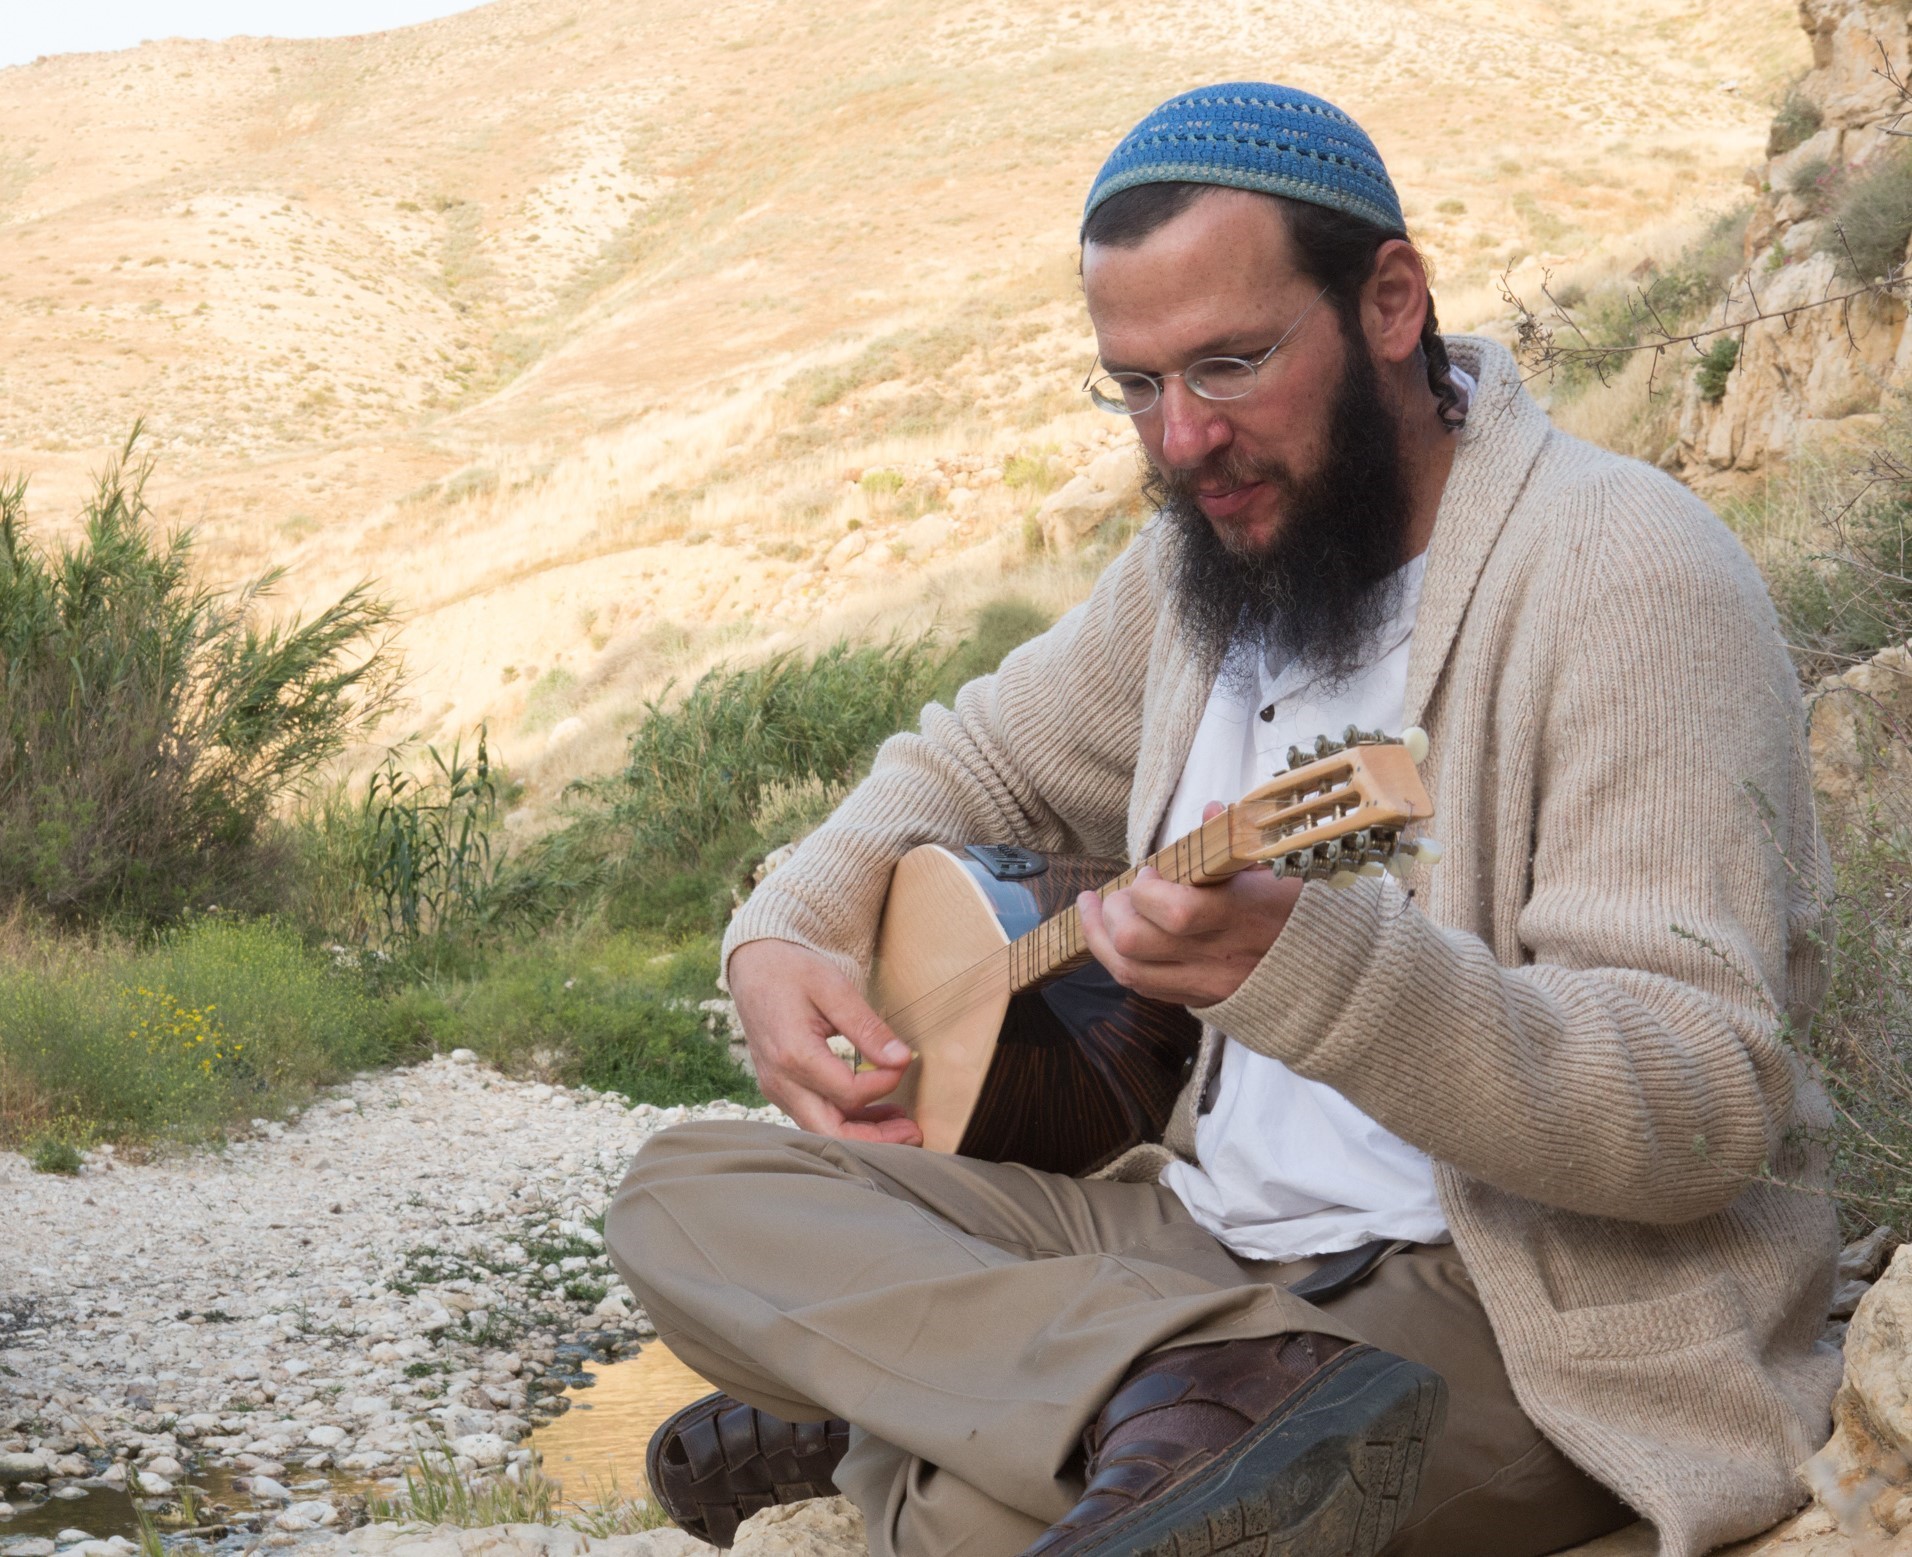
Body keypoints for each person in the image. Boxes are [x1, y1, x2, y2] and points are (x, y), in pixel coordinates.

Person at [605, 83, 1840, 1557]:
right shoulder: (1202, 569)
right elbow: (971, 760)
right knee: (683, 1192)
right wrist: (786, 925)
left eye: (1232, 364)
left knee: (969, 1515)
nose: (1182, 439)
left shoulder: (1626, 571)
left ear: (1391, 302)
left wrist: (1312, 969)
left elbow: (1698, 1108)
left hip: (1516, 1306)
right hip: (1207, 1257)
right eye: (1134, 384)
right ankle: (1119, 1389)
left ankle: (929, 1396)